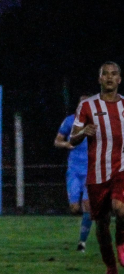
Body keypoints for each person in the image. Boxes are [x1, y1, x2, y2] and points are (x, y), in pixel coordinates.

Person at [69, 63, 124, 274]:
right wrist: (83, 131)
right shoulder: (87, 106)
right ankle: (110, 266)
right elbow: (73, 138)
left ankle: (121, 241)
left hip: (122, 168)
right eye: (106, 74)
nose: (110, 78)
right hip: (97, 173)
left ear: (119, 79)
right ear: (99, 79)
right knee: (101, 224)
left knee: (120, 209)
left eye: (114, 74)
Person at [54, 101, 92, 251]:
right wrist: (66, 145)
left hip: (91, 171)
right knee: (75, 208)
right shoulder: (70, 121)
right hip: (74, 171)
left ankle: (82, 243)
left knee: (87, 206)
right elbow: (57, 141)